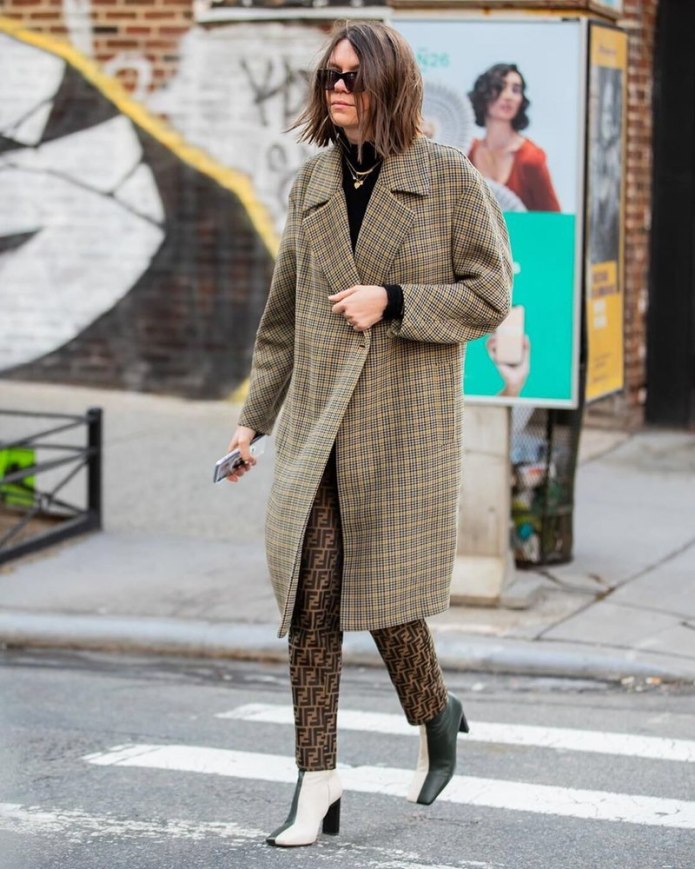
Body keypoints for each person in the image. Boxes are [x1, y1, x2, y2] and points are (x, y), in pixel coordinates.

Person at [225, 21, 513, 848]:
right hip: (317, 424)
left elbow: (489, 295)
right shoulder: (312, 182)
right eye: (329, 75)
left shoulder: (445, 176)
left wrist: (392, 300)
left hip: (398, 425)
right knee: (310, 602)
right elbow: (281, 321)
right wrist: (252, 421)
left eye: (353, 75)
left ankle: (433, 709)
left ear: (389, 83)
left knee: (385, 600)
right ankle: (316, 780)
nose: (338, 88)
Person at [468, 63, 561, 212]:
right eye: (499, 87)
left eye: (516, 90)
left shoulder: (531, 159)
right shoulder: (467, 151)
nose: (509, 96)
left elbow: (554, 221)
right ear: (484, 94)